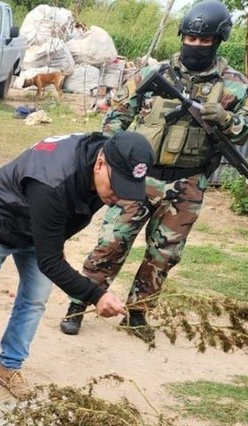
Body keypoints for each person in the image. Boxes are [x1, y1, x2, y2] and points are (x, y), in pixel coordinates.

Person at [59, 0, 248, 336]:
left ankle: (137, 312)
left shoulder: (234, 85)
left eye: (205, 41)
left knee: (164, 255)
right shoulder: (155, 73)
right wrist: (108, 161)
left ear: (219, 40)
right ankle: (80, 302)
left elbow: (243, 130)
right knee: (112, 243)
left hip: (189, 184)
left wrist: (225, 117)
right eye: (191, 38)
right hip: (139, 177)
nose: (196, 45)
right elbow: (118, 115)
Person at [0, 132, 154, 390]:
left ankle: (9, 367)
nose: (118, 197)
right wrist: (96, 295)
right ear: (100, 164)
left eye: (127, 188)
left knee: (34, 299)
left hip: (38, 228)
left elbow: (75, 217)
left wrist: (55, 242)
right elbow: (49, 262)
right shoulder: (52, 181)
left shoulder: (108, 162)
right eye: (118, 187)